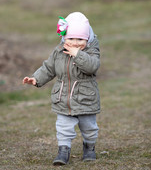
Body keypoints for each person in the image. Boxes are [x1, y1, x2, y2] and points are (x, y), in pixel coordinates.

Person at [23, 12, 100, 165]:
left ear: (87, 38)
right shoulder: (59, 51)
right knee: (63, 127)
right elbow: (48, 68)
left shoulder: (91, 51)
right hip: (63, 99)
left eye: (80, 39)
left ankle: (89, 147)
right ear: (64, 37)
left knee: (89, 128)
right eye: (71, 38)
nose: (75, 43)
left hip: (86, 99)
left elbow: (92, 67)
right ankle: (63, 151)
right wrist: (36, 79)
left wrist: (78, 55)